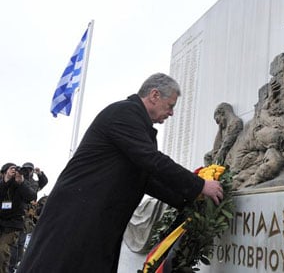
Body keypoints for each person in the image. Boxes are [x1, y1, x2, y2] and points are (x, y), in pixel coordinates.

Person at [17, 73, 224, 273]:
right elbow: (152, 160)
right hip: (76, 217)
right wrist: (200, 185)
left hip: (97, 222)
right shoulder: (124, 114)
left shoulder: (140, 126)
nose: (171, 113)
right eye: (170, 106)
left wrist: (189, 200)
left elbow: (146, 178)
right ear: (154, 95)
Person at [8, 162, 47, 272]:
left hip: (27, 216)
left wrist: (40, 174)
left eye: (30, 170)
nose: (28, 171)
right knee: (14, 242)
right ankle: (11, 264)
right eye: (26, 169)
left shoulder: (35, 183)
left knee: (21, 241)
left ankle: (19, 263)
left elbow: (44, 182)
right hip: (16, 213)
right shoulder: (17, 179)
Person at [0, 163, 36, 273]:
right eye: (12, 168)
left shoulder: (19, 185)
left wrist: (21, 182)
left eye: (16, 169)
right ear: (4, 172)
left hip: (12, 225)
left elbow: (31, 197)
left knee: (2, 251)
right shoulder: (1, 185)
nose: (14, 170)